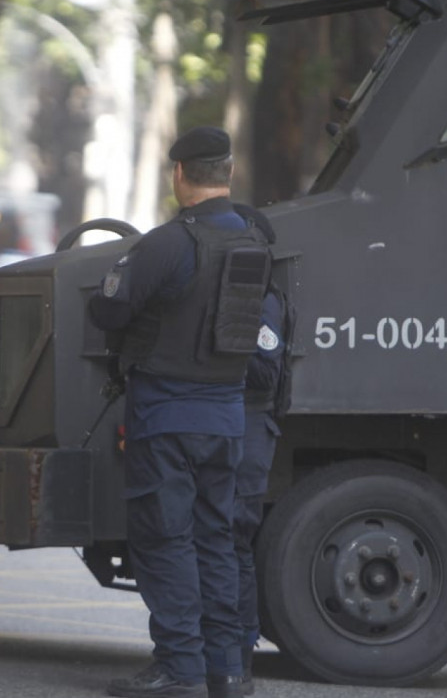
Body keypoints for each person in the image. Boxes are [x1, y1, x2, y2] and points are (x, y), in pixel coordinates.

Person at [88, 127, 270, 698]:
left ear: (179, 175)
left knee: (166, 541)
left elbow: (110, 311)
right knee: (217, 542)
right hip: (227, 419)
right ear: (228, 174)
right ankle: (228, 669)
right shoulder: (253, 240)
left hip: (167, 418)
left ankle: (181, 670)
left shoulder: (169, 244)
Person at [231, 204, 292, 696]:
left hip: (248, 427)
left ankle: (238, 651)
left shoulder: (261, 301)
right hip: (233, 426)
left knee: (232, 540)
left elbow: (262, 372)